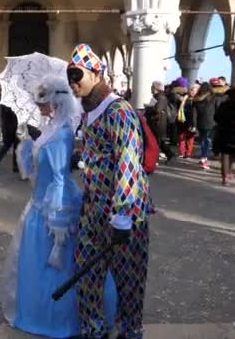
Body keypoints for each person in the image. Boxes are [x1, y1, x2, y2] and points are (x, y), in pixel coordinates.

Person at [0, 74, 117, 338]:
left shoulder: (63, 134)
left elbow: (61, 177)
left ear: (56, 101)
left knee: (58, 264)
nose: (39, 103)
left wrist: (59, 216)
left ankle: (60, 318)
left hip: (55, 205)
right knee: (35, 263)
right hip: (38, 204)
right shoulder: (50, 129)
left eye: (43, 98)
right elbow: (31, 174)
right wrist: (27, 144)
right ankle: (38, 312)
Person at [67, 43, 150, 338]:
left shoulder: (119, 110)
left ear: (96, 73)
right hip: (94, 210)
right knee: (87, 274)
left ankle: (131, 332)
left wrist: (124, 213)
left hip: (123, 214)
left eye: (77, 74)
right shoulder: (88, 111)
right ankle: (94, 330)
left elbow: (129, 161)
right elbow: (98, 154)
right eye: (69, 76)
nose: (73, 82)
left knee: (129, 280)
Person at [213, 86, 235, 186]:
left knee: (225, 154)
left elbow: (216, 117)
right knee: (233, 153)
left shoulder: (224, 105)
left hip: (224, 131)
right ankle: (229, 172)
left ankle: (224, 178)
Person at [149, 81, 175, 163]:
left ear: (156, 88)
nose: (151, 89)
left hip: (159, 123)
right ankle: (167, 155)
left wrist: (148, 108)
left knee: (159, 141)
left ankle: (169, 154)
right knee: (158, 141)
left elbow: (158, 110)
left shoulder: (161, 97)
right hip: (157, 122)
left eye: (152, 87)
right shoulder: (158, 97)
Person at [192, 82, 216, 170]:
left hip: (200, 122)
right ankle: (204, 157)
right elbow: (216, 109)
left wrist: (194, 124)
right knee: (207, 140)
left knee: (202, 140)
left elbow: (194, 114)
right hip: (211, 122)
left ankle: (202, 156)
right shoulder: (213, 97)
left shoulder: (196, 99)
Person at [177, 83, 199, 158]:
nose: (192, 92)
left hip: (192, 121)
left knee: (190, 138)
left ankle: (188, 153)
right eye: (191, 90)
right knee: (181, 136)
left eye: (194, 90)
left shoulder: (198, 100)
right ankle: (181, 152)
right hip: (183, 120)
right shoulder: (184, 98)